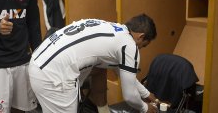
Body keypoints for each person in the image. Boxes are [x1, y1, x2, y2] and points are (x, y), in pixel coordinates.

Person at [29, 14, 158, 113]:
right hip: (54, 75)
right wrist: (145, 108)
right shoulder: (129, 45)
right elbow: (129, 96)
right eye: (143, 46)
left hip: (38, 63)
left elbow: (125, 74)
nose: (140, 48)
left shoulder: (113, 29)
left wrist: (146, 94)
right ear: (141, 36)